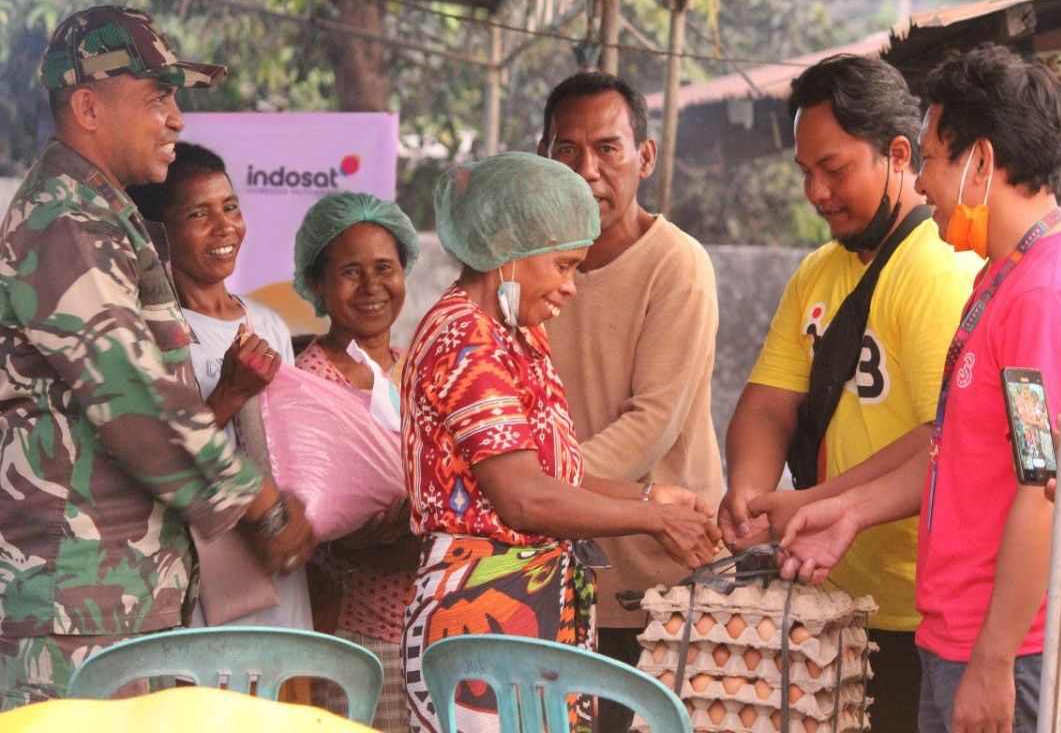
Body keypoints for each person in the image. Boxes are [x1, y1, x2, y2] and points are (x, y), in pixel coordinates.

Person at [773, 44, 1061, 732]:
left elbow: (1042, 488)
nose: (923, 181)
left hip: (1013, 648)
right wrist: (849, 511)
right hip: (969, 636)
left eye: (931, 157)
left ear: (983, 163)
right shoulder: (999, 278)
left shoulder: (1043, 297)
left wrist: (993, 660)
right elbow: (957, 448)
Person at [0, 5, 315, 709]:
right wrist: (259, 502)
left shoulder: (102, 218)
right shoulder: (67, 222)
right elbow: (136, 396)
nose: (176, 118)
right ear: (87, 106)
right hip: (72, 609)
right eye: (156, 98)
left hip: (113, 600)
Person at [400, 152, 720, 733]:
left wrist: (649, 499)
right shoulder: (466, 341)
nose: (571, 288)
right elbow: (524, 499)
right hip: (484, 617)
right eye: (564, 266)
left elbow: (554, 477)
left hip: (534, 611)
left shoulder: (517, 332)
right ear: (507, 251)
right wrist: (647, 522)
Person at [714, 54, 977, 731]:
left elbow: (944, 440)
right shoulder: (817, 274)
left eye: (834, 169)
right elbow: (770, 402)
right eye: (805, 172)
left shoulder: (934, 274)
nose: (816, 191)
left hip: (920, 612)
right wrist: (749, 492)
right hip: (830, 601)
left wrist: (806, 504)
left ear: (897, 154)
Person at [537, 70, 724, 730]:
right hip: (547, 580)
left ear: (644, 157)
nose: (587, 169)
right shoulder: (527, 268)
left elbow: (650, 428)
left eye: (607, 149)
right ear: (542, 158)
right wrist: (532, 498)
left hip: (657, 588)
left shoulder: (678, 265)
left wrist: (534, 490)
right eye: (566, 150)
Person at [126, 141, 312, 633]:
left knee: (283, 693)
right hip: (204, 564)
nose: (224, 226)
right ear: (159, 234)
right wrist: (230, 392)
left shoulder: (268, 324)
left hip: (275, 550)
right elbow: (157, 460)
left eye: (230, 207)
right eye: (198, 214)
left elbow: (287, 445)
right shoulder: (154, 332)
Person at [292, 190, 422, 733]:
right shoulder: (304, 383)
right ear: (317, 285)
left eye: (384, 268)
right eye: (350, 271)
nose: (372, 287)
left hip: (430, 627)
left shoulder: (419, 369)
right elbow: (307, 519)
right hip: (356, 634)